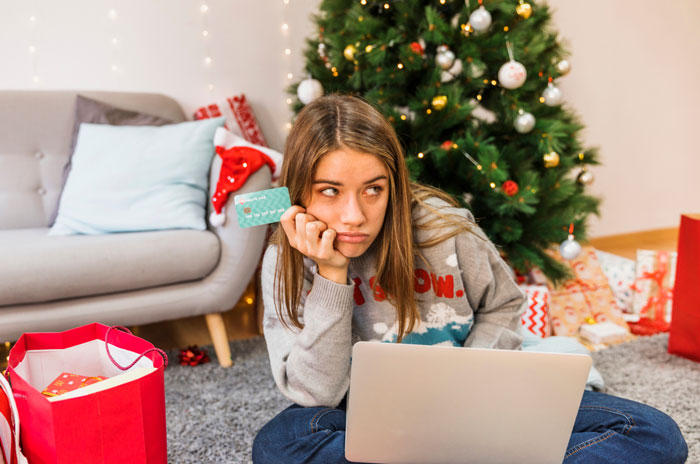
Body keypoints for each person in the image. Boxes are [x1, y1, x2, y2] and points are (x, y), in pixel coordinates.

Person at [252, 94, 688, 464]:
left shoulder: (446, 229)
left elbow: (501, 304)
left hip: (475, 404)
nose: (354, 216)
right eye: (330, 191)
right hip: (359, 414)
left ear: (394, 185)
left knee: (653, 434)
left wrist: (471, 386)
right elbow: (317, 393)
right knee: (280, 444)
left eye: (374, 189)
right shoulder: (284, 260)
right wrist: (331, 274)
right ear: (299, 193)